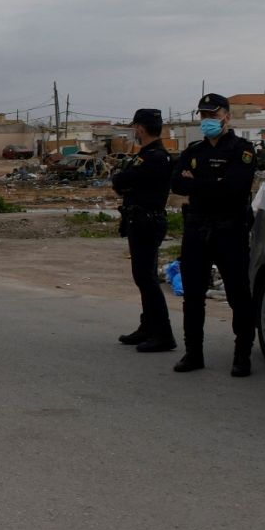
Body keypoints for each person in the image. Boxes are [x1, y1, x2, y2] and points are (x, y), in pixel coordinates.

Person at [171, 92, 258, 376]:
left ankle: (242, 355)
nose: (208, 120)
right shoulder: (194, 151)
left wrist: (198, 183)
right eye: (204, 115)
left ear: (227, 116)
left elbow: (235, 188)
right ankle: (193, 353)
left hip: (229, 231)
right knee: (193, 296)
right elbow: (177, 185)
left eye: (213, 114)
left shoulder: (241, 150)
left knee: (238, 295)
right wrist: (212, 183)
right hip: (197, 229)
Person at [112, 108, 175, 353]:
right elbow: (125, 182)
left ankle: (163, 333)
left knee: (146, 278)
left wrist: (124, 184)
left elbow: (121, 181)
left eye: (135, 127)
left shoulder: (153, 157)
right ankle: (148, 326)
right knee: (143, 277)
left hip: (146, 222)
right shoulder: (151, 155)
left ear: (141, 128)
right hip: (141, 220)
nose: (134, 132)